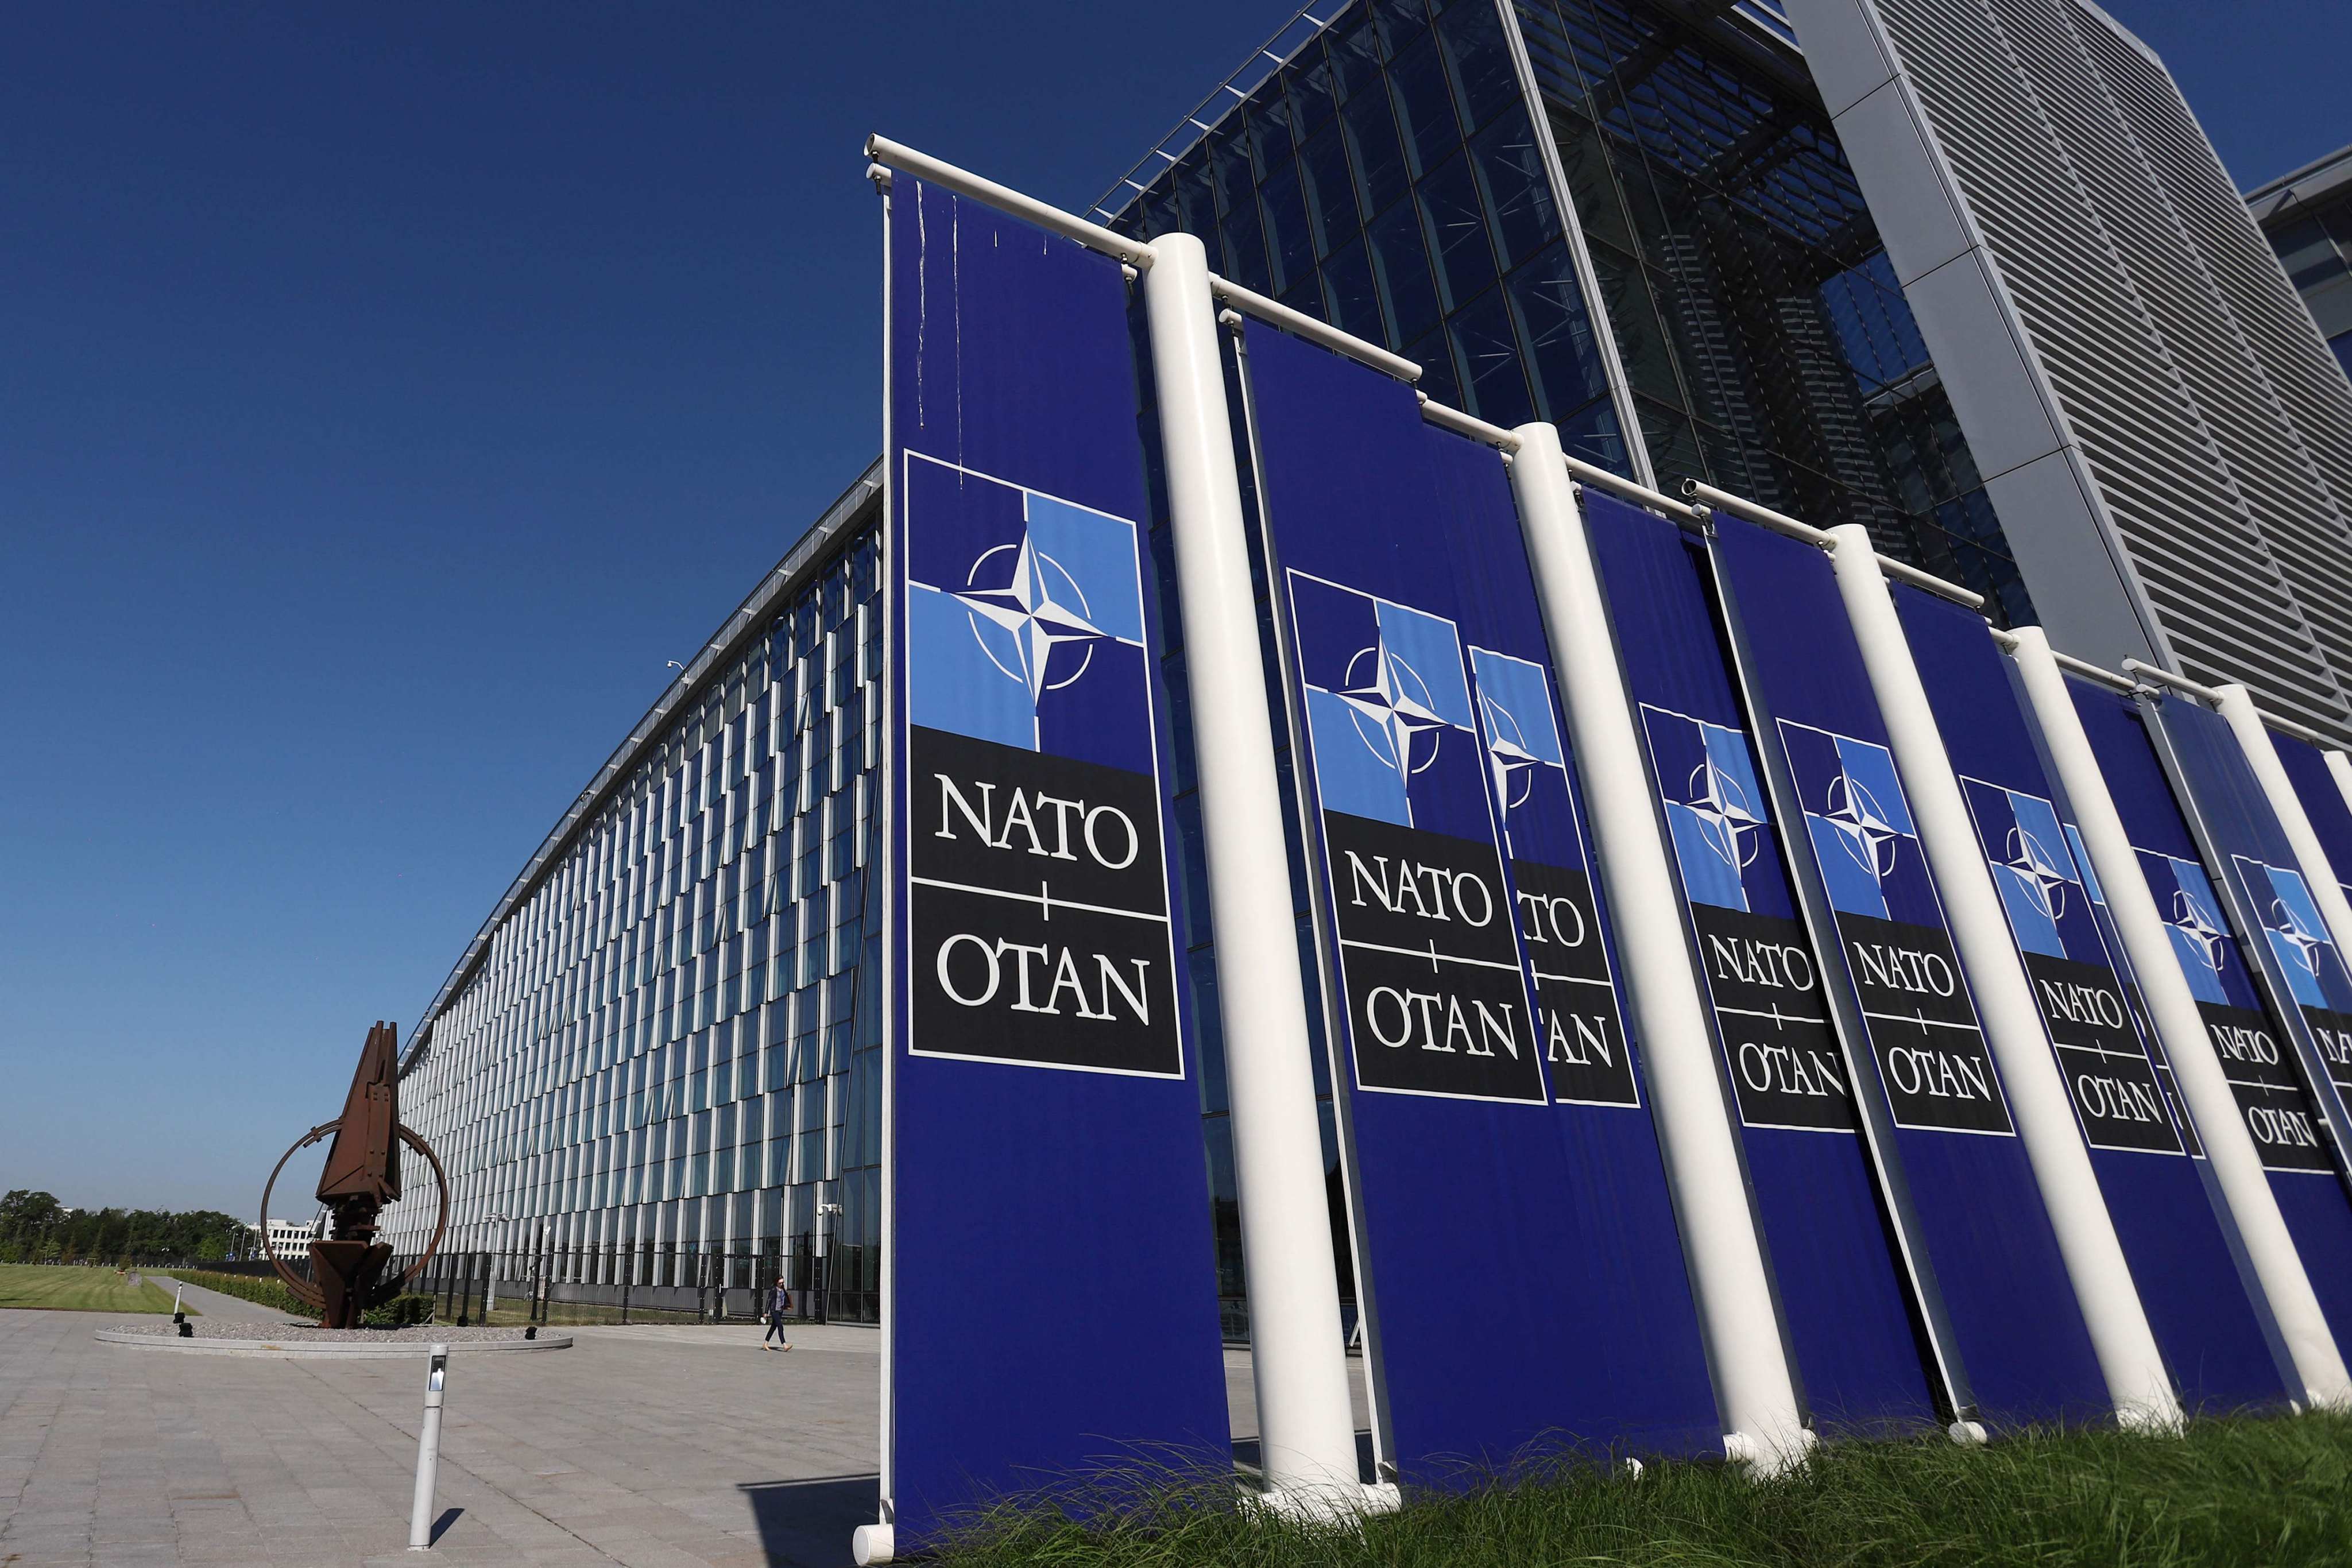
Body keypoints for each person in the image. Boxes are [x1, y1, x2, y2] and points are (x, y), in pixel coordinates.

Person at [764, 1277, 794, 1352]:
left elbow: (784, 1299)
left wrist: (787, 1307)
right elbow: (769, 1301)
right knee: (780, 1326)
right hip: (774, 1311)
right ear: (776, 1283)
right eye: (780, 1283)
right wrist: (766, 1312)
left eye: (783, 1283)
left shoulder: (783, 1290)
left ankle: (765, 1344)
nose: (782, 1284)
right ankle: (785, 1345)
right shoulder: (774, 1290)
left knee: (773, 1328)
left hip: (780, 1311)